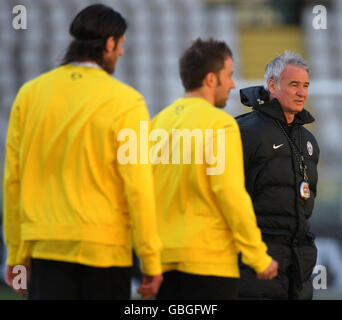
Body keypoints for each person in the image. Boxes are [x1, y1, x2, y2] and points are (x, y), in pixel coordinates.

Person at [3, 4, 162, 300]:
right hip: (105, 250)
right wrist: (151, 259)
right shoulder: (127, 102)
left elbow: (13, 180)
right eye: (121, 45)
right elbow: (138, 185)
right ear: (110, 43)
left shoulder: (30, 94)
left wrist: (16, 254)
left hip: (46, 246)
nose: (122, 53)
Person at [151, 38, 278, 300]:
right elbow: (229, 193)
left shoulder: (158, 124)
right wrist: (257, 255)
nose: (233, 84)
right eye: (228, 75)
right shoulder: (219, 124)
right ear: (211, 79)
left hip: (164, 263)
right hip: (209, 263)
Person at [236, 51, 319, 300]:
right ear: (272, 85)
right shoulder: (243, 132)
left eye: (305, 85)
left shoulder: (309, 141)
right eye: (294, 84)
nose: (302, 92)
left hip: (299, 268)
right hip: (255, 266)